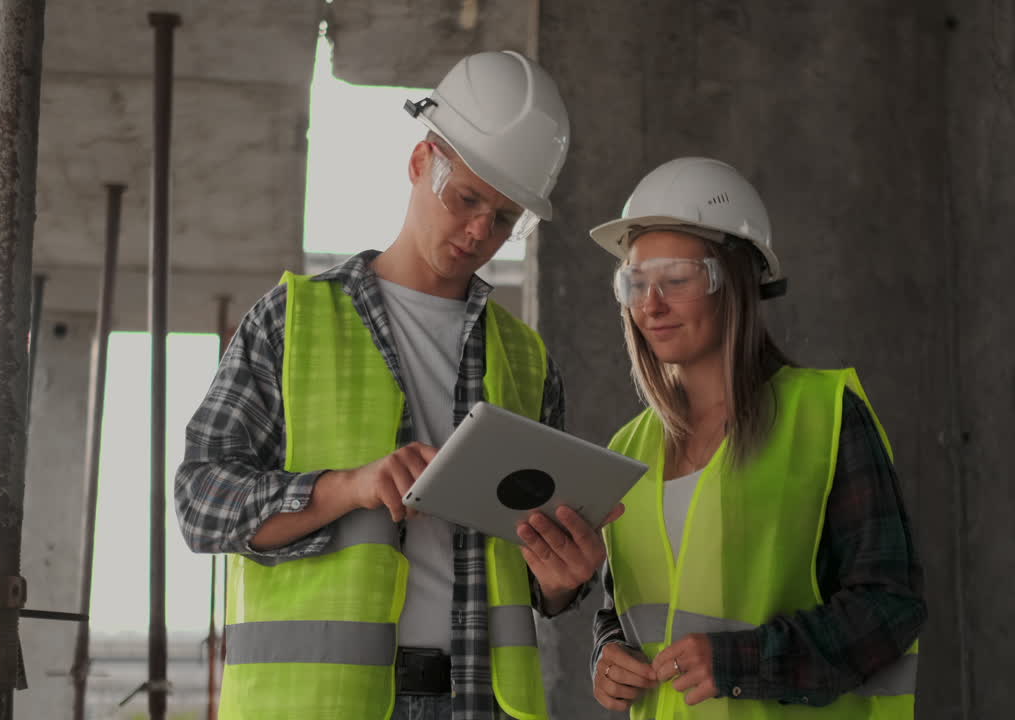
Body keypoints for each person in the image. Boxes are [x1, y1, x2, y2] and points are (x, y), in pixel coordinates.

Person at [174, 50, 611, 720]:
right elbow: (201, 501)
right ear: (419, 161)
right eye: (466, 198)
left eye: (502, 219)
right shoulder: (295, 320)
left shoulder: (525, 360)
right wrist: (348, 487)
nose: (477, 232)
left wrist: (562, 581)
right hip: (318, 706)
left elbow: (527, 578)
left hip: (479, 705)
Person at [586, 157, 926, 718]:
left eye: (675, 279)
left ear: (736, 282)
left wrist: (742, 661)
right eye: (636, 282)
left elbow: (889, 605)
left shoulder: (826, 416)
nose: (652, 304)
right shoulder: (626, 449)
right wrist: (607, 654)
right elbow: (623, 607)